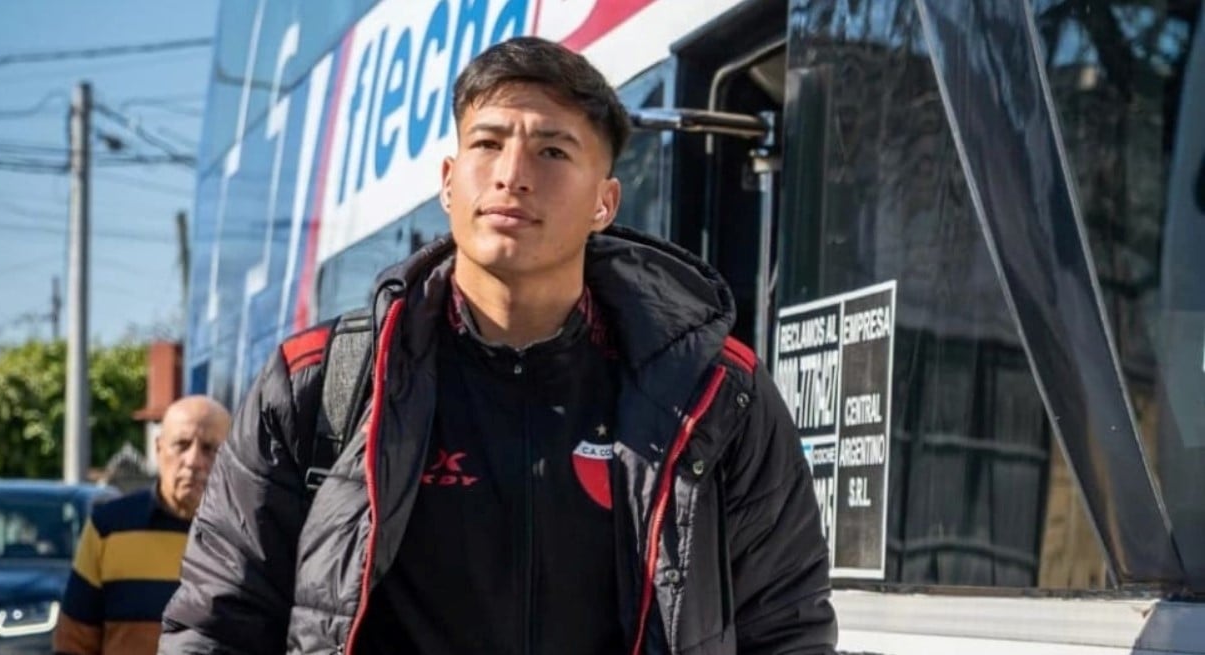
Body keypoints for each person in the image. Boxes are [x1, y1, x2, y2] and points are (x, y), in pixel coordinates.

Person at [161, 36, 836, 655]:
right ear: (447, 180)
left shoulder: (717, 396)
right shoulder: (318, 384)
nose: (512, 174)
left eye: (553, 151)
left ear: (605, 203)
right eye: (487, 143)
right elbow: (218, 628)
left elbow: (786, 630)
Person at [54, 395, 231, 655]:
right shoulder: (110, 529)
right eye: (182, 445)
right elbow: (74, 643)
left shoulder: (248, 540)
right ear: (158, 449)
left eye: (209, 448)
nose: (193, 461)